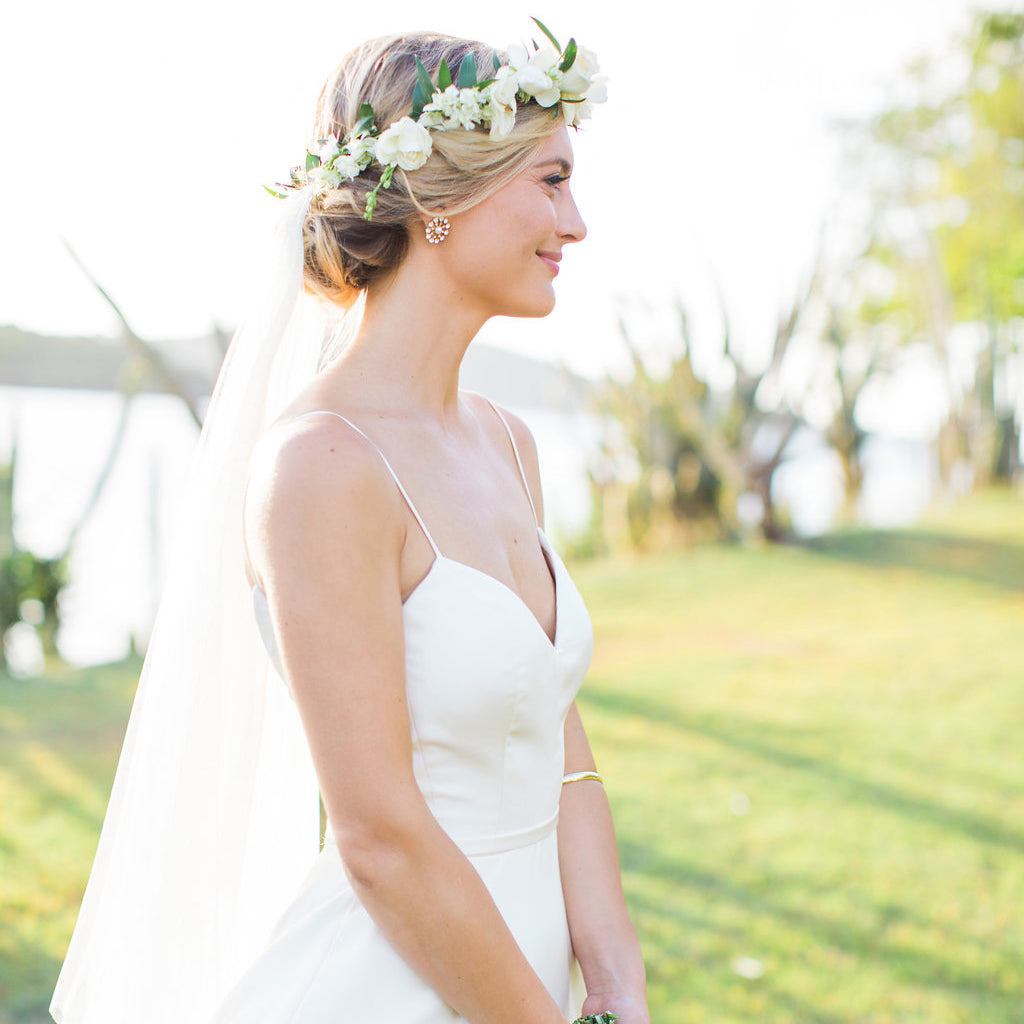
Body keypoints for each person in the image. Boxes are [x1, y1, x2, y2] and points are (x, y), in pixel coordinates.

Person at [51, 23, 649, 1024]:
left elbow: (560, 736)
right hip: (393, 985)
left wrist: (615, 971)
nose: (576, 220)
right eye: (550, 179)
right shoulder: (322, 468)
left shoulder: (506, 443)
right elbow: (377, 834)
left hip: (522, 973)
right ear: (444, 199)